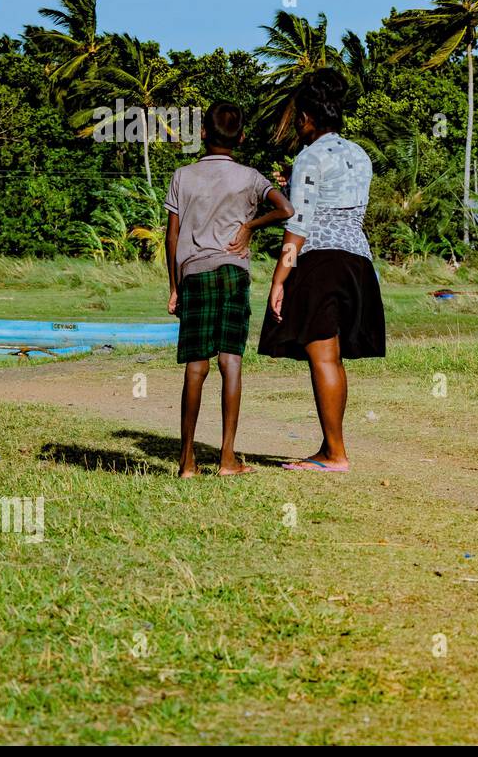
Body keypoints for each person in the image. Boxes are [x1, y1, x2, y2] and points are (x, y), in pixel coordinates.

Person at [259, 69, 385, 472]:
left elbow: (299, 225)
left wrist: (279, 278)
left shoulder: (309, 157)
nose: (297, 123)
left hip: (321, 261)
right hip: (358, 263)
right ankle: (332, 447)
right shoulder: (361, 155)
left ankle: (335, 453)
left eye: (300, 116)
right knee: (333, 358)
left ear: (310, 116)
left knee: (323, 358)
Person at [164, 101, 293, 477]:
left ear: (203, 133)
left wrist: (174, 286)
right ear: (241, 136)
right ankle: (227, 458)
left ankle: (187, 461)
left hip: (194, 274)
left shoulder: (182, 176)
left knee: (195, 366)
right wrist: (251, 226)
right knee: (230, 361)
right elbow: (285, 209)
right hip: (233, 273)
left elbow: (172, 236)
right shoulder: (251, 177)